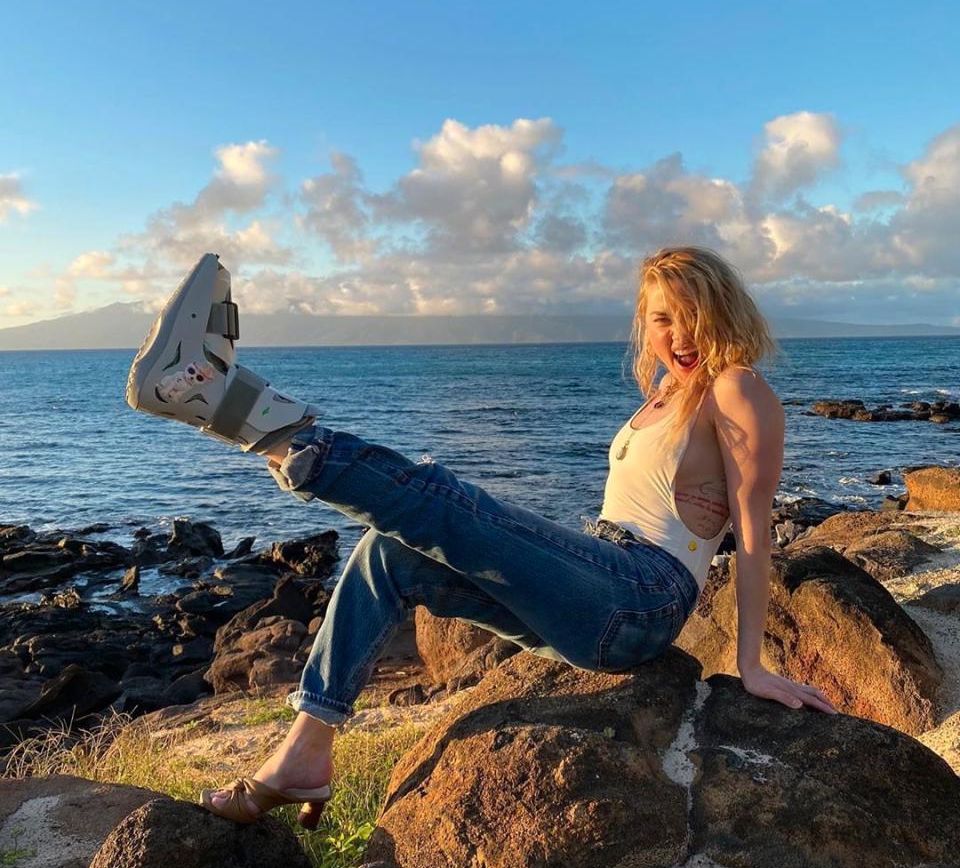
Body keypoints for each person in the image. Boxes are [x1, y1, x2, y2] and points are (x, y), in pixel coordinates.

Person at [125, 246, 836, 825]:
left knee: (449, 503)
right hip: (600, 591)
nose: (675, 336)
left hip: (644, 596)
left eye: (690, 317)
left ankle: (234, 405)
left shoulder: (737, 387)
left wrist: (753, 665)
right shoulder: (660, 398)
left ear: (723, 315)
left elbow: (753, 532)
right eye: (660, 319)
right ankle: (308, 748)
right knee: (390, 554)